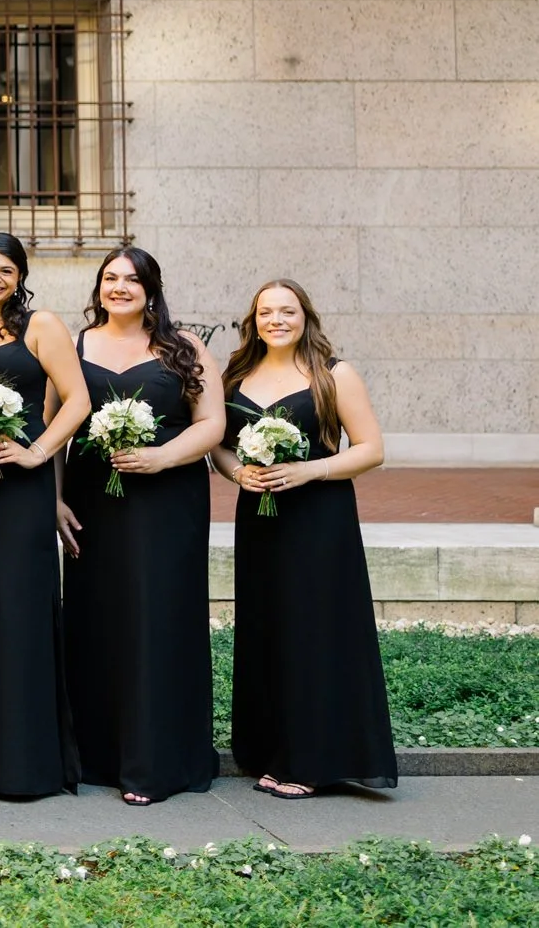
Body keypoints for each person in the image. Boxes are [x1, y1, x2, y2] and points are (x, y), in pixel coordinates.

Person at [214, 278, 396, 798]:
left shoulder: (333, 374)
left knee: (314, 631)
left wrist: (308, 471)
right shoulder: (237, 376)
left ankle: (311, 761)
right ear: (253, 320)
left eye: (287, 311)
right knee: (268, 629)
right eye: (266, 311)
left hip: (319, 518)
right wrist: (237, 474)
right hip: (260, 521)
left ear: (305, 316)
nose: (276, 319)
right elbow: (220, 448)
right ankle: (271, 750)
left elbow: (371, 449)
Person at [64, 245, 224, 805]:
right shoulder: (75, 345)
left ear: (151, 288)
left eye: (132, 280)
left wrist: (163, 457)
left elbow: (212, 424)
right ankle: (95, 756)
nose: (120, 288)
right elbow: (55, 424)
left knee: (158, 618)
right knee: (97, 618)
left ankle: (156, 762)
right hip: (93, 503)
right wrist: (55, 499)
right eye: (110, 278)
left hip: (166, 501)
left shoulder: (185, 348)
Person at [0, 232, 88, 800]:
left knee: (16, 610)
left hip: (19, 490)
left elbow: (77, 400)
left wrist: (35, 454)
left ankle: (24, 762)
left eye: (6, 270)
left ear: (20, 276)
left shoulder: (42, 326)